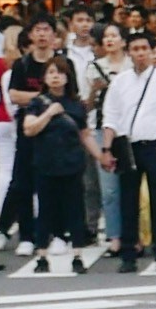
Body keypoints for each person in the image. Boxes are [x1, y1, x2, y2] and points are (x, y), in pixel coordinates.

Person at [104, 34, 156, 271]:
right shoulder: (120, 81)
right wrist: (107, 148)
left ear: (152, 52)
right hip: (128, 145)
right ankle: (129, 254)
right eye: (135, 49)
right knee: (127, 201)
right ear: (129, 52)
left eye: (144, 48)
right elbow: (110, 114)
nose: (140, 53)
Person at [11, 54, 94, 269]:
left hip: (72, 163)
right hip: (45, 163)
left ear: (68, 77)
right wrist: (49, 113)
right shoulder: (38, 103)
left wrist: (101, 155)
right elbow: (29, 129)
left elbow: (85, 134)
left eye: (60, 72)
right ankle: (41, 255)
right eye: (50, 73)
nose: (55, 77)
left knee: (75, 210)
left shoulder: (77, 105)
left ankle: (77, 254)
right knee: (45, 209)